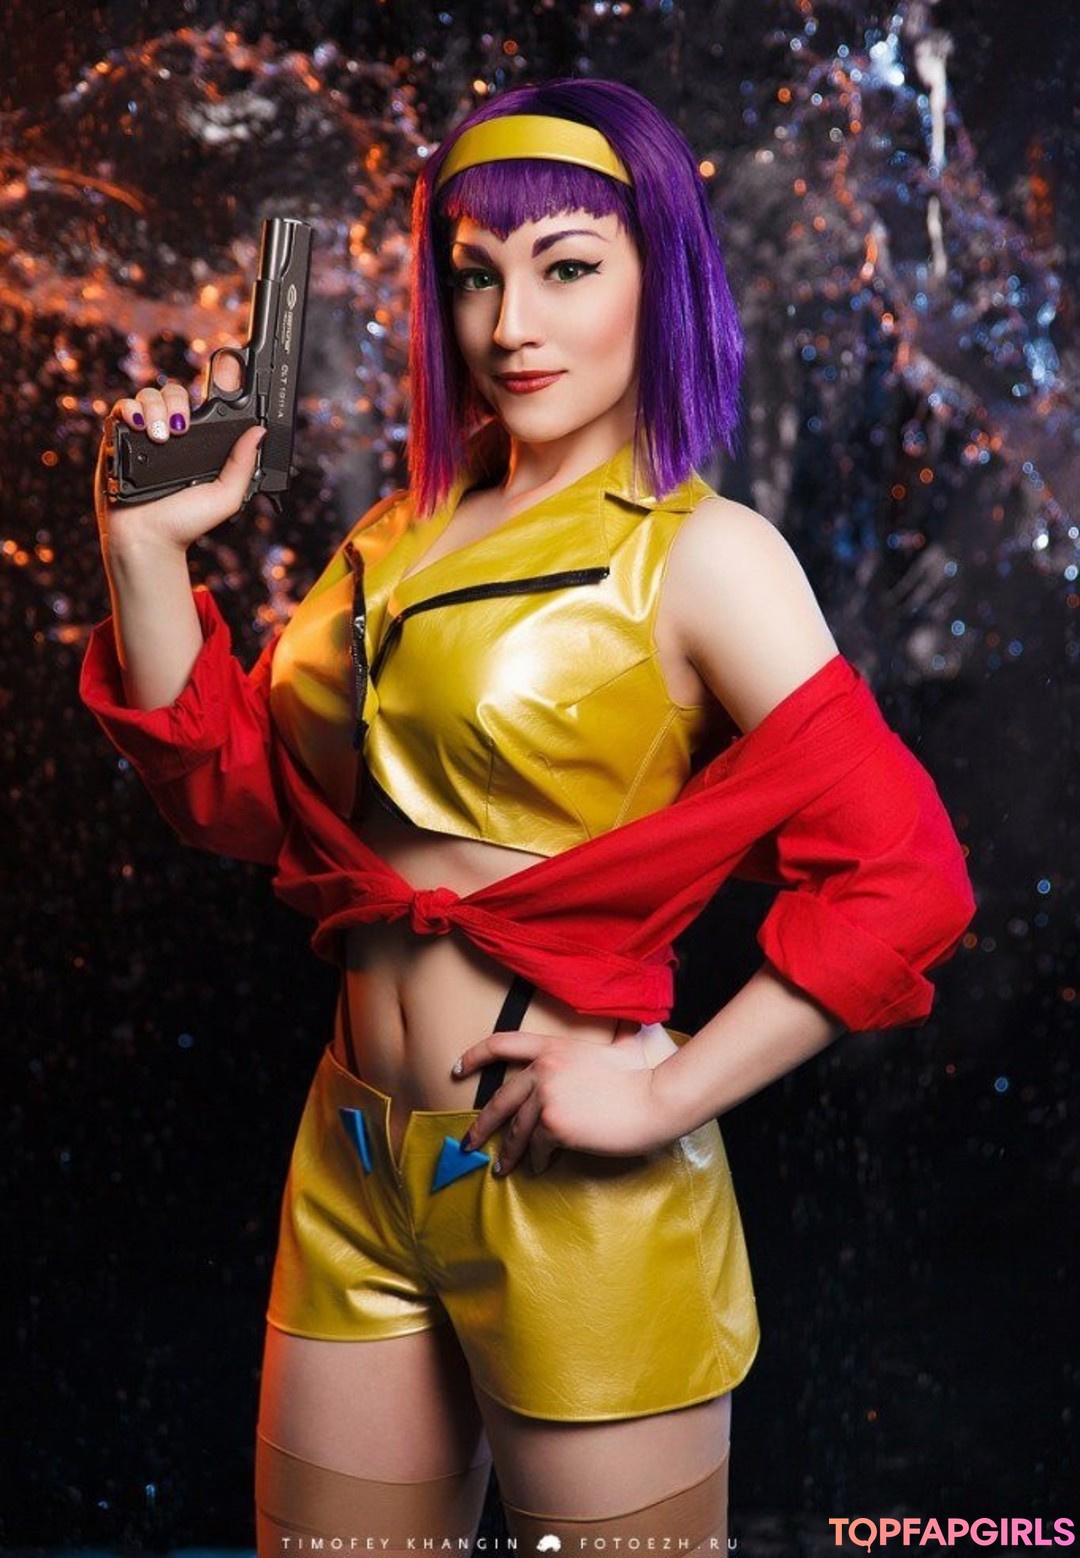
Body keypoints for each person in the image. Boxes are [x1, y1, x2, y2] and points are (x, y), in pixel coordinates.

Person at [81, 79, 974, 1554]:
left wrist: (665, 1096)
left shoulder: (706, 556)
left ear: (658, 279)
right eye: (475, 276)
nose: (512, 326)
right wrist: (143, 551)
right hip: (353, 1157)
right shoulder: (391, 537)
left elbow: (908, 875)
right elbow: (243, 805)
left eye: (567, 266)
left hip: (573, 1190)